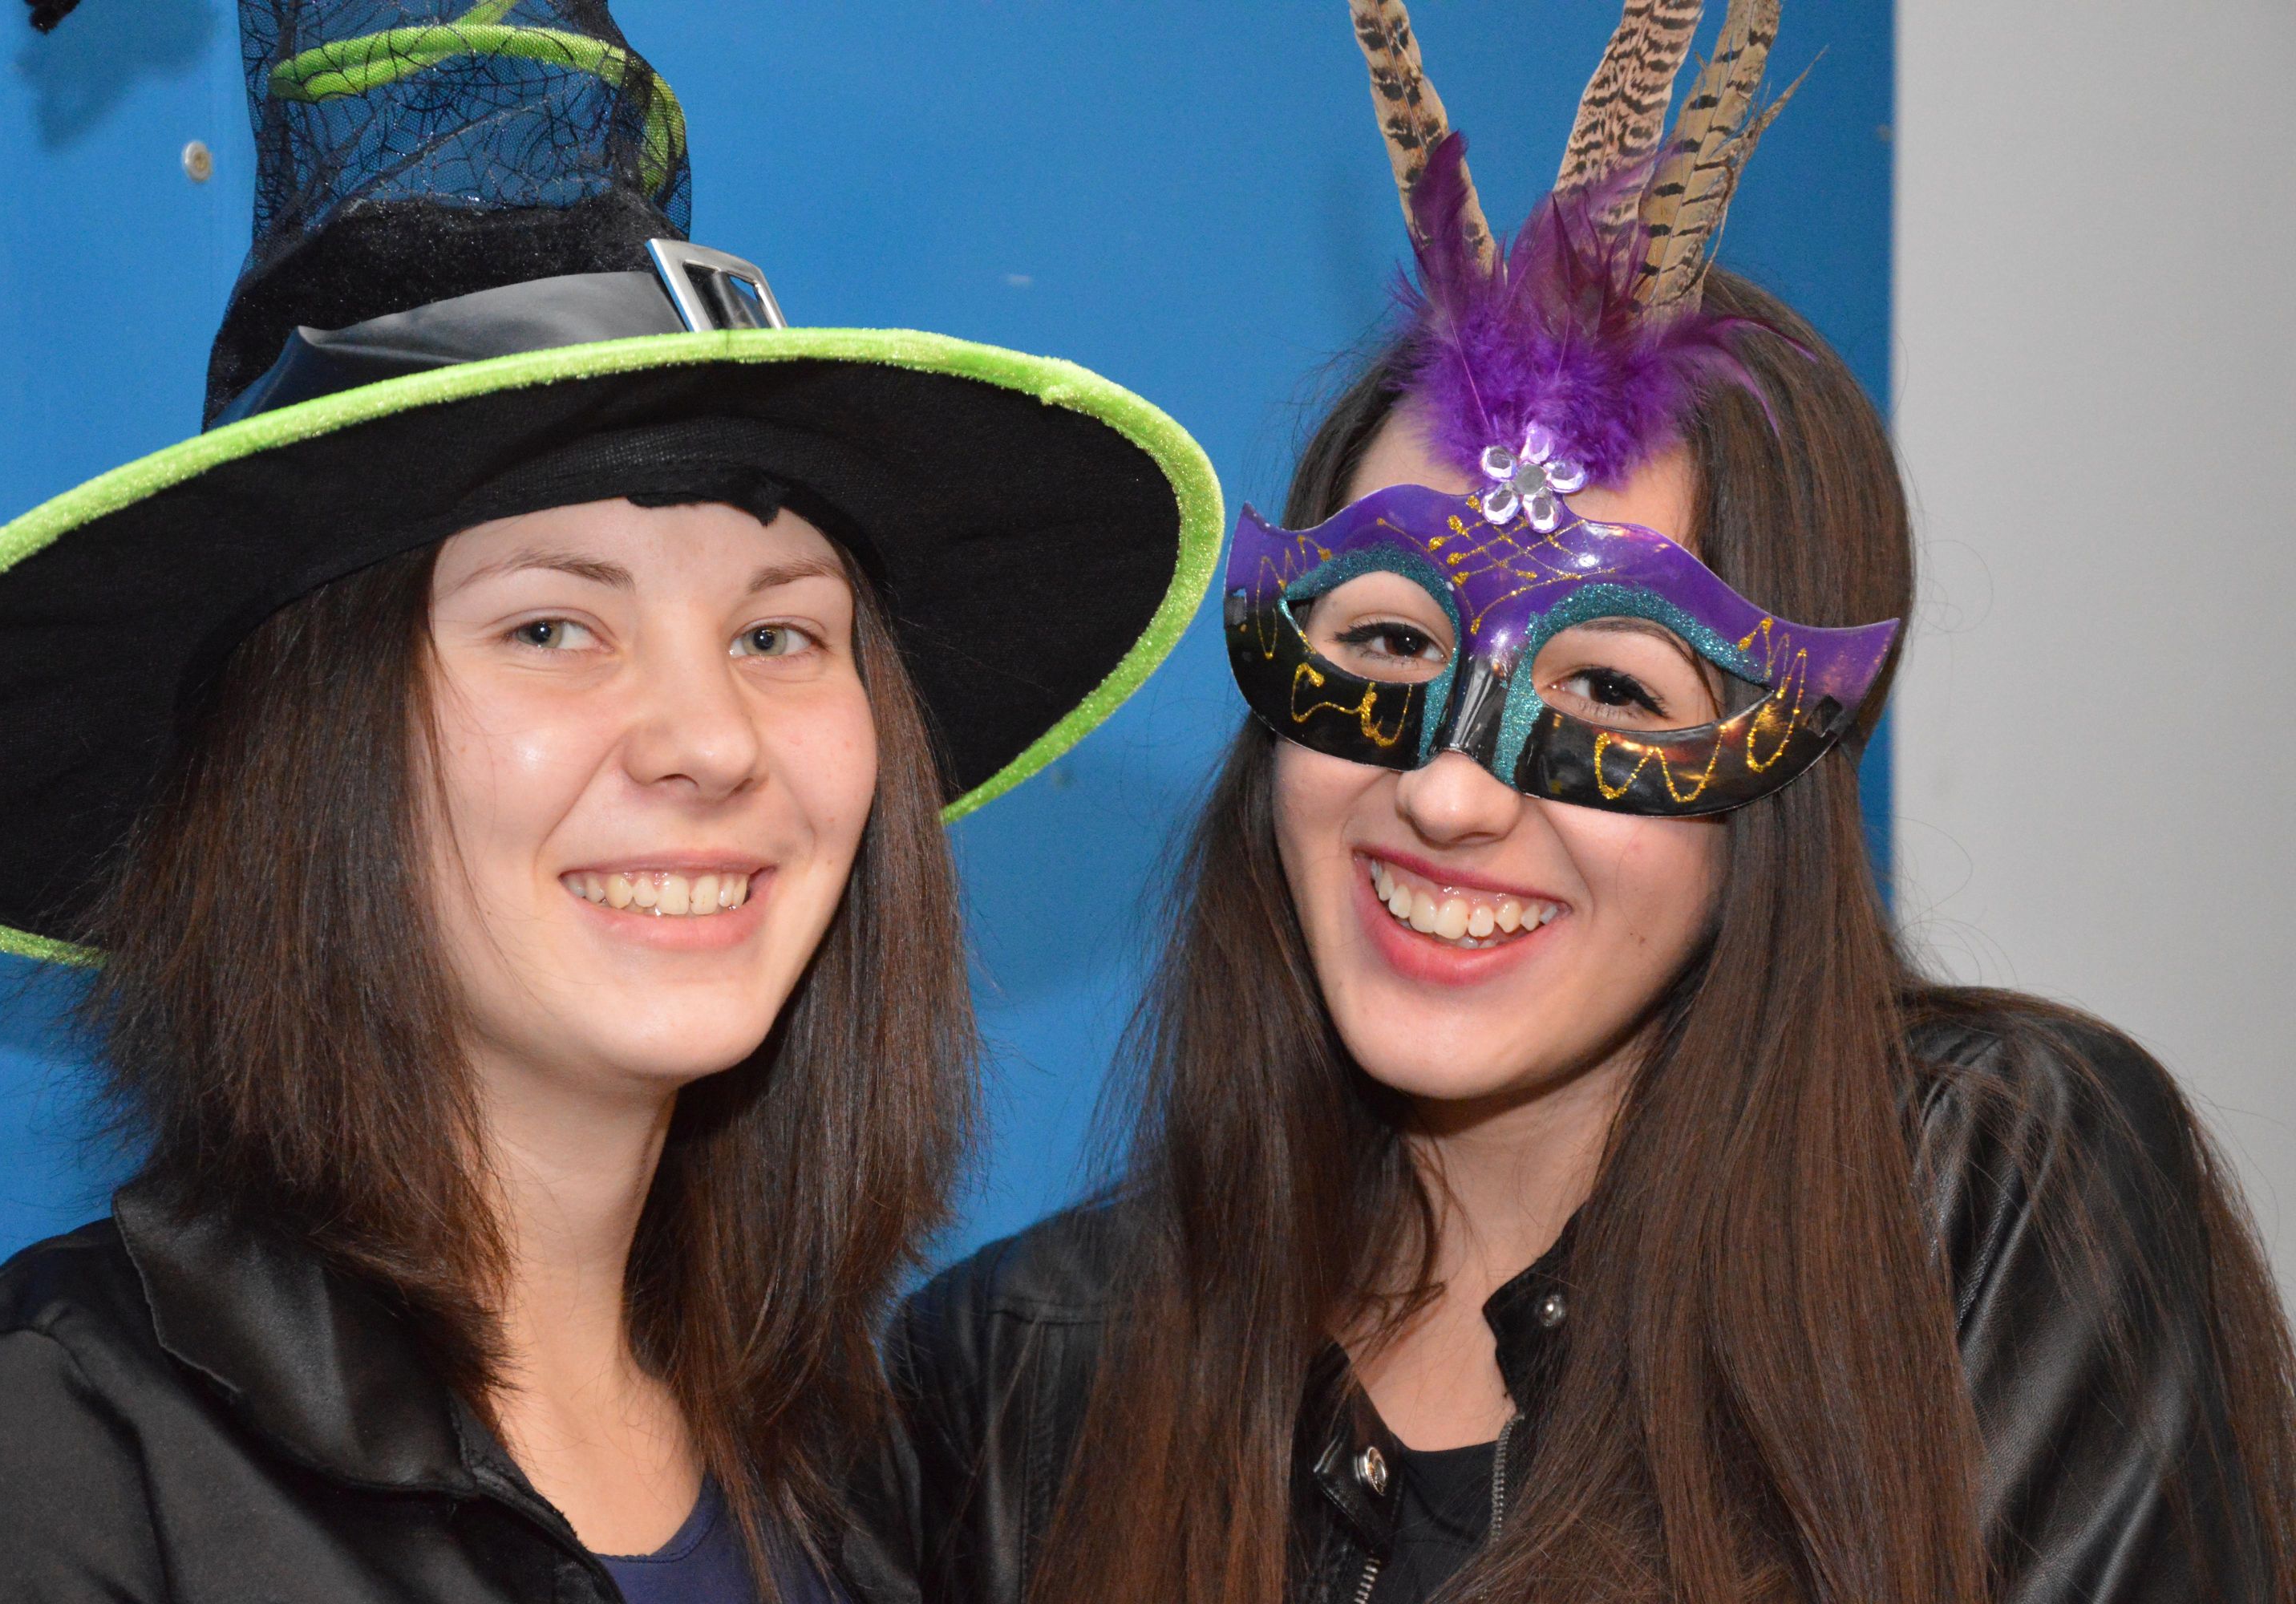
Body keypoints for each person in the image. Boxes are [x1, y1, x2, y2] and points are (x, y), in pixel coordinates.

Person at [861, 3, 2296, 1602]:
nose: (1449, 792)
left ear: (1777, 772)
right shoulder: (1019, 1380)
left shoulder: (1981, 1201)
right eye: (1387, 644)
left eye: (1610, 691)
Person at [0, 3, 1221, 1602]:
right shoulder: (12, 1478)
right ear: (303, 744)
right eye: (550, 627)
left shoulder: (872, 1485)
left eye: (779, 635)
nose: (709, 742)